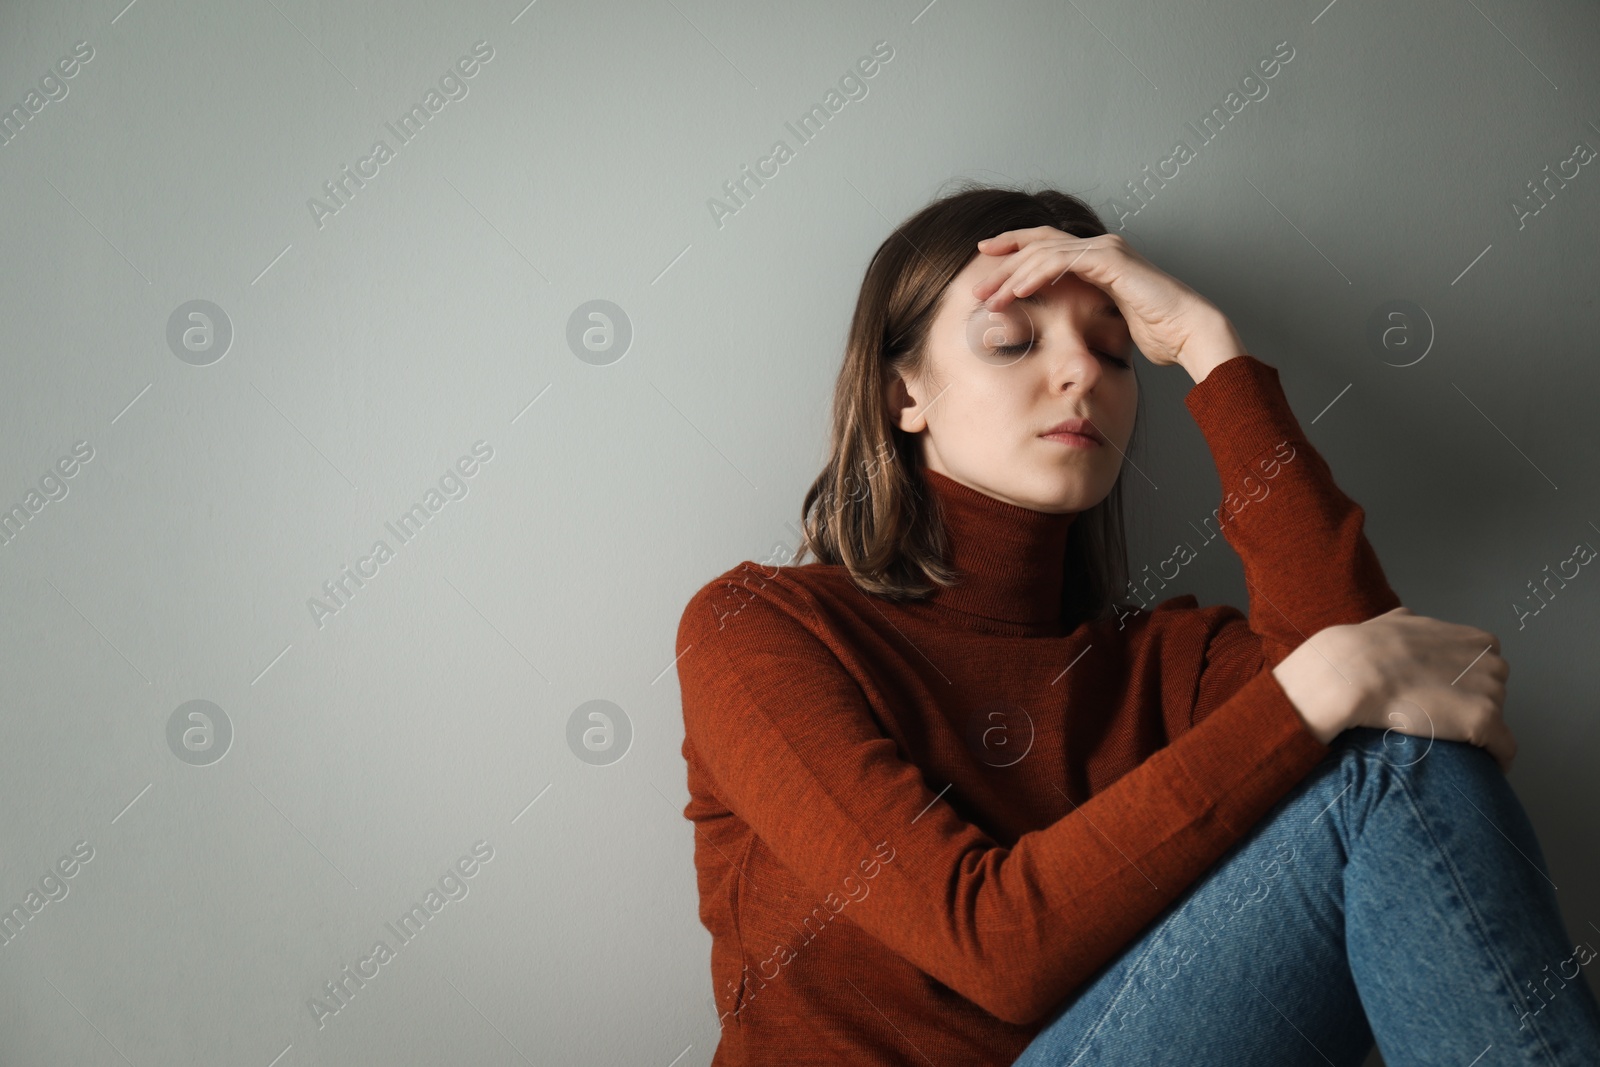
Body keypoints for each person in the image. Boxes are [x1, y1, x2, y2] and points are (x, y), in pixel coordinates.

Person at [673, 183, 1600, 1065]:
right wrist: (1315, 689)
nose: (1080, 370)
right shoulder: (759, 628)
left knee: (1390, 758)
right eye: (1011, 341)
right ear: (901, 395)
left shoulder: (1166, 661)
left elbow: (1391, 695)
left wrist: (1210, 349)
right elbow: (992, 945)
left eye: (1116, 354)